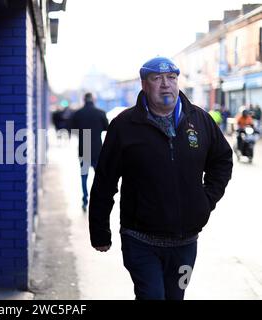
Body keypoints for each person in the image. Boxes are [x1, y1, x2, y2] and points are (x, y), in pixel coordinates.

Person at [88, 57, 233, 300]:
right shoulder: (124, 126)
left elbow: (222, 161)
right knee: (152, 296)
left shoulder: (199, 120)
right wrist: (99, 231)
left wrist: (205, 200)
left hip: (186, 243)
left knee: (176, 296)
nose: (165, 84)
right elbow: (104, 181)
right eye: (157, 78)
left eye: (171, 78)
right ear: (144, 85)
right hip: (140, 240)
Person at [71, 92, 109, 212]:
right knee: (99, 177)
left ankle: (85, 200)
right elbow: (106, 128)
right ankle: (99, 200)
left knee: (84, 177)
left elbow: (73, 129)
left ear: (83, 100)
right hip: (97, 148)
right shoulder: (101, 113)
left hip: (84, 147)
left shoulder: (78, 113)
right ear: (93, 100)